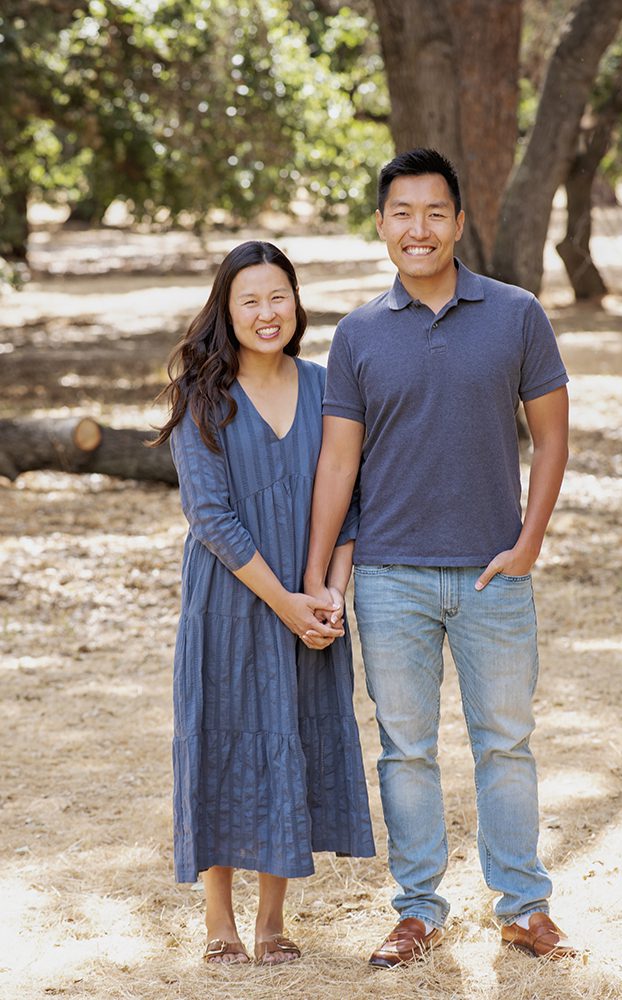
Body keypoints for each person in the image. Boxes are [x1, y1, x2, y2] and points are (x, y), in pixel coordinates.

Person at [304, 148, 576, 967]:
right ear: (382, 225)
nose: (416, 228)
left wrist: (528, 542)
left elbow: (552, 434)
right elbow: (337, 464)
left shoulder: (517, 313)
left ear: (458, 223)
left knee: (504, 744)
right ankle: (417, 911)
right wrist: (320, 578)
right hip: (388, 576)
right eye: (400, 213)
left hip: (493, 574)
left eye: (433, 213)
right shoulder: (355, 335)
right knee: (405, 749)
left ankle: (523, 908)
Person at [153, 240, 374, 966]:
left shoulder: (326, 387)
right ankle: (219, 921)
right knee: (222, 741)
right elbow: (210, 517)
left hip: (309, 601)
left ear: (296, 301)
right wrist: (284, 601)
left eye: (277, 295)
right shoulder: (201, 396)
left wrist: (329, 594)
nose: (265, 312)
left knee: (291, 742)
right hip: (231, 599)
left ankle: (273, 920)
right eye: (248, 300)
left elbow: (349, 502)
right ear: (226, 309)